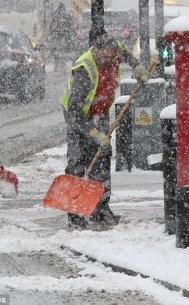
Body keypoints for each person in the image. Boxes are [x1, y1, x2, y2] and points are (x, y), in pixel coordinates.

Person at [61, 35, 149, 229]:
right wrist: (93, 133)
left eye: (113, 56)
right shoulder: (85, 69)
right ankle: (74, 213)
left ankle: (101, 208)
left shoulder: (114, 50)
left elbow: (124, 53)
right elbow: (75, 110)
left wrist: (137, 66)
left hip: (99, 113)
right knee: (77, 161)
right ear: (96, 50)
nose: (110, 59)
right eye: (106, 56)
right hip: (77, 116)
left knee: (102, 156)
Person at [50, 3, 74, 71]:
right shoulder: (66, 16)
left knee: (58, 53)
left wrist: (53, 34)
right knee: (62, 53)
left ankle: (58, 66)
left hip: (58, 37)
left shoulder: (55, 16)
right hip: (63, 37)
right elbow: (71, 26)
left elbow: (51, 27)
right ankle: (61, 66)